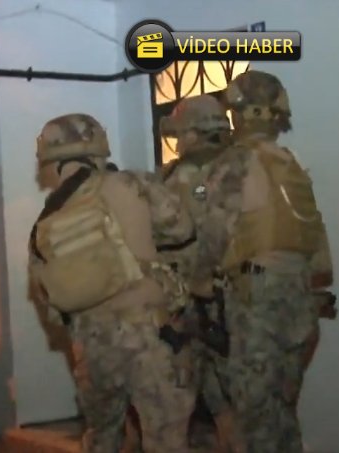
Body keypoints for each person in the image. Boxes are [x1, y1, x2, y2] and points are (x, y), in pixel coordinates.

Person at [27, 113, 196, 453]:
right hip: (147, 336)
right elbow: (182, 229)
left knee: (103, 439)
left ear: (50, 159)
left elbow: (50, 305)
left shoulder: (44, 224)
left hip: (91, 348)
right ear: (98, 147)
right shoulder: (130, 183)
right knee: (167, 441)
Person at [194, 70, 331, 453]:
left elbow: (213, 232)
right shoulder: (289, 162)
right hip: (298, 294)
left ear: (239, 113)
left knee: (254, 413)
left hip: (257, 298)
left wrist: (197, 282)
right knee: (284, 406)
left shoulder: (234, 162)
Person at [158, 94, 238, 452]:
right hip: (230, 296)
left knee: (180, 393)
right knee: (228, 395)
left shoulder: (179, 175)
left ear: (189, 133)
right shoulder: (242, 167)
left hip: (193, 297)